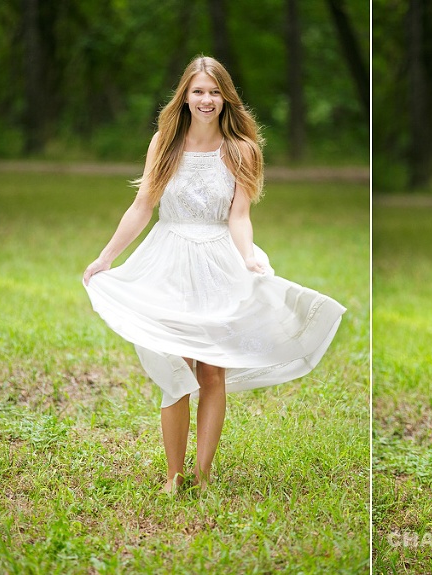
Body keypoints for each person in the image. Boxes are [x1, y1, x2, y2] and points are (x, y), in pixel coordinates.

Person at [83, 55, 346, 494]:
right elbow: (143, 207)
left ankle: (203, 474)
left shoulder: (242, 149)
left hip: (218, 260)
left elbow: (239, 216)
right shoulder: (164, 143)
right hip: (169, 261)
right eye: (197, 91)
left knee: (212, 373)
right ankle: (173, 476)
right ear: (184, 96)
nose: (206, 99)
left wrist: (248, 258)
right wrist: (106, 257)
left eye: (214, 91)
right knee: (177, 366)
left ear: (226, 97)